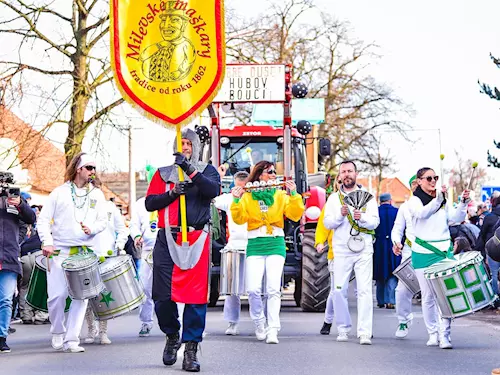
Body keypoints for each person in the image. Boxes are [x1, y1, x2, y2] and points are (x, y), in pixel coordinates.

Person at [145, 128, 220, 372]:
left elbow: (212, 191)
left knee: (196, 298)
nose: (185, 147)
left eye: (189, 143)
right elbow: (150, 203)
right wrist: (171, 193)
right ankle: (172, 334)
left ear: (196, 146)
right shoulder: (163, 173)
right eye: (181, 143)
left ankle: (190, 348)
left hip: (198, 237)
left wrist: (190, 170)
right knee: (162, 297)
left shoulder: (208, 171)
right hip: (168, 237)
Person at [37, 153, 108, 353]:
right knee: (57, 297)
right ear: (79, 169)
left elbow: (103, 221)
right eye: (89, 168)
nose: (93, 172)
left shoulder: (97, 194)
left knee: (81, 297)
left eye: (94, 168)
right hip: (60, 252)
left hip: (84, 253)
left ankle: (72, 339)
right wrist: (47, 242)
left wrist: (92, 229)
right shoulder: (59, 193)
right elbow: (43, 220)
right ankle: (58, 331)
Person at [231, 160, 304, 345]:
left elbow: (295, 215)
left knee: (273, 289)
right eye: (269, 172)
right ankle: (259, 322)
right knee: (253, 289)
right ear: (259, 175)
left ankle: (273, 329)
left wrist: (294, 194)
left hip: (275, 243)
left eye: (274, 172)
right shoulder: (248, 196)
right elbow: (239, 219)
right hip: (255, 244)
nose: (273, 175)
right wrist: (236, 200)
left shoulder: (280, 195)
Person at [407, 167, 469, 349]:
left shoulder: (441, 201)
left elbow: (456, 218)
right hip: (423, 253)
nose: (433, 181)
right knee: (427, 296)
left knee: (446, 296)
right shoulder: (414, 201)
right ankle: (433, 333)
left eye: (435, 177)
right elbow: (422, 214)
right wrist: (437, 200)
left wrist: (463, 203)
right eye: (428, 178)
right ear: (419, 181)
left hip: (443, 251)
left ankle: (445, 335)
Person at [323, 160, 379, 345]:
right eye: (343, 172)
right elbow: (327, 223)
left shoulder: (368, 196)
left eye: (350, 171)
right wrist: (340, 214)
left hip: (363, 248)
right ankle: (343, 328)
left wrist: (360, 217)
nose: (347, 174)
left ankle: (364, 332)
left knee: (364, 291)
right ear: (340, 176)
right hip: (341, 250)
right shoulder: (333, 199)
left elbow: (375, 222)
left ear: (356, 173)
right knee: (339, 290)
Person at [84, 199, 128, 345]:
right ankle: (91, 329)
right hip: (86, 255)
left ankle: (103, 331)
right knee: (88, 296)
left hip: (106, 255)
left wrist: (119, 244)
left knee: (104, 296)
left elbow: (122, 229)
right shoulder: (81, 204)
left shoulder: (109, 207)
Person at [0, 182, 36, 353]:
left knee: (6, 300)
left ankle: (1, 337)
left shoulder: (14, 201)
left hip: (9, 258)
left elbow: (31, 220)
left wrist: (20, 203)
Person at [213, 170, 249, 336]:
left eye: (244, 187)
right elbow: (212, 199)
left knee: (257, 289)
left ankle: (262, 322)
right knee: (232, 288)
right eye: (238, 187)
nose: (240, 191)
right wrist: (217, 179)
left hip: (254, 246)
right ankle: (232, 322)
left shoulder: (255, 197)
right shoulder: (228, 198)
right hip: (234, 245)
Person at [391, 175, 418, 338]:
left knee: (434, 293)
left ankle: (439, 328)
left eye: (418, 183)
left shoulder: (436, 205)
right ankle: (404, 320)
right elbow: (397, 229)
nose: (415, 186)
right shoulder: (405, 207)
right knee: (401, 290)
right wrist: (396, 242)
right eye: (413, 183)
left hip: (431, 254)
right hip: (409, 253)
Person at [130, 184, 159, 337]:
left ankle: (175, 323)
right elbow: (133, 225)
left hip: (167, 249)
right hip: (148, 250)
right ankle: (146, 322)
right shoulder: (140, 204)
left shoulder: (167, 199)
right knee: (145, 288)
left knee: (170, 288)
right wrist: (136, 236)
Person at [141, 4, 196, 82]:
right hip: (149, 86)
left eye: (174, 20)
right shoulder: (159, 44)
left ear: (184, 25)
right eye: (163, 20)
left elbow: (189, 60)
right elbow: (143, 57)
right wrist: (157, 46)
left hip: (177, 84)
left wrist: (180, 71)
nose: (166, 25)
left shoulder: (186, 45)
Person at [316, 177, 341, 335]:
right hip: (336, 252)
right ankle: (328, 320)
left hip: (357, 251)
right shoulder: (331, 202)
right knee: (336, 289)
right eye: (338, 182)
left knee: (362, 291)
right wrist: (319, 241)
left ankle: (363, 326)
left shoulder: (360, 199)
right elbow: (322, 225)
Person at [374, 193, 400, 309]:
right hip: (394, 245)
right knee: (393, 272)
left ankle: (380, 300)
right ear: (390, 200)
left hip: (379, 245)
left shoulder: (375, 212)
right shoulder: (397, 212)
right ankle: (390, 300)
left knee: (380, 272)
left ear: (380, 201)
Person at [475, 196, 500, 305]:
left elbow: (482, 235)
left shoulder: (489, 217)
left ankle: (495, 300)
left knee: (493, 274)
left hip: (492, 248)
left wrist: (479, 251)